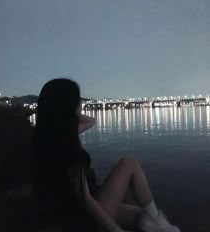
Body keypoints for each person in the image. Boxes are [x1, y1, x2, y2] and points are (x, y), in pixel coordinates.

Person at [34, 78, 181, 232]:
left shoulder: (48, 138)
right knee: (129, 162)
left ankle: (156, 222)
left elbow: (91, 121)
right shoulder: (65, 146)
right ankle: (162, 225)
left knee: (140, 215)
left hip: (65, 211)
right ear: (69, 106)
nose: (81, 104)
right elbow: (85, 199)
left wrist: (68, 117)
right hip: (81, 217)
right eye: (78, 101)